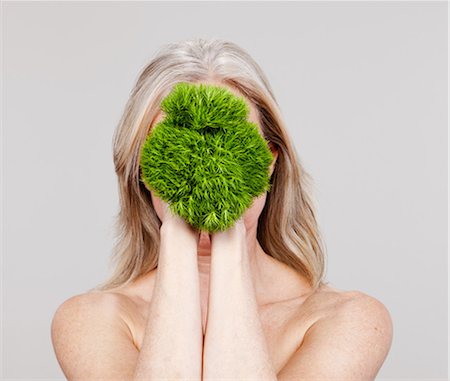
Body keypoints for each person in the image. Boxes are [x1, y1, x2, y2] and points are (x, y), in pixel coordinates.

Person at [50, 38, 393, 380]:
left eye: (231, 142)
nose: (204, 165)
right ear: (143, 170)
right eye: (174, 147)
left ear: (270, 161)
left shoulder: (348, 320)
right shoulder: (91, 320)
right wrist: (179, 234)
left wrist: (231, 236)